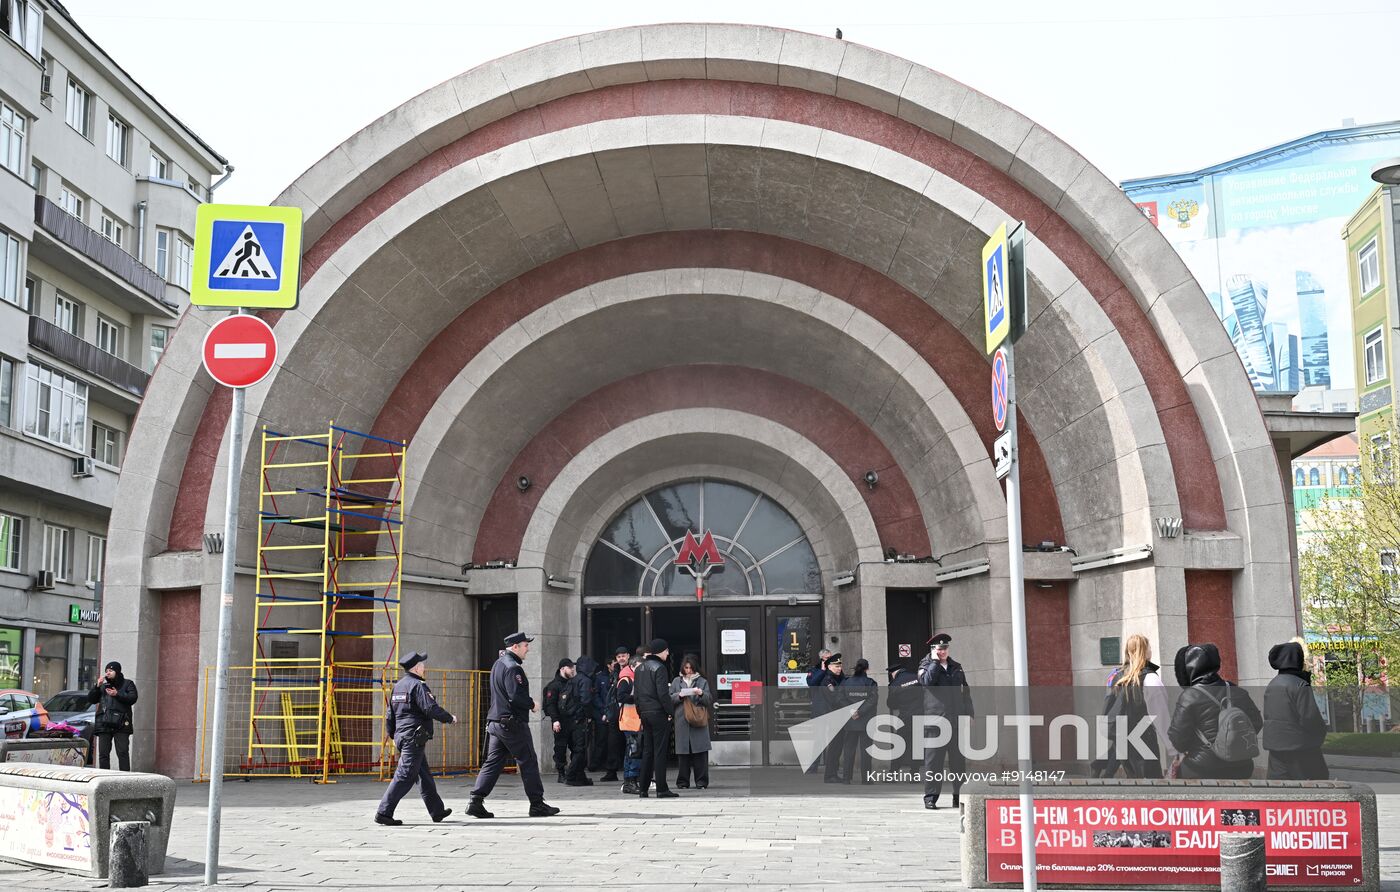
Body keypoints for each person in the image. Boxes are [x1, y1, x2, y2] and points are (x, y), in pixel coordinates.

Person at [469, 632, 559, 818]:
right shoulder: (513, 668)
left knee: (493, 763)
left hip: (496, 722)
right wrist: (532, 704)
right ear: (515, 647)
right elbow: (515, 695)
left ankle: (475, 801)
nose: (528, 649)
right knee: (528, 761)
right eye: (525, 645)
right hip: (512, 724)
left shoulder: (498, 664)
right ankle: (537, 804)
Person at [375, 651, 456, 826]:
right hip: (414, 737)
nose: (424, 667)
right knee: (404, 775)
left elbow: (390, 715)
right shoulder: (418, 685)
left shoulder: (399, 686)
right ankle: (384, 812)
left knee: (423, 775)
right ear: (417, 667)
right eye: (422, 664)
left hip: (403, 736)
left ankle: (437, 811)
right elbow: (430, 708)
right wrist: (449, 718)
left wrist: (394, 736)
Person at [1167, 643, 1263, 780]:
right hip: (1241, 766)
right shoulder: (1237, 690)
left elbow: (1178, 739)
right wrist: (1234, 741)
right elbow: (1257, 722)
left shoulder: (1189, 696)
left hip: (1201, 768)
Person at [1092, 634, 1175, 778]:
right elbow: (1161, 717)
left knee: (1135, 786)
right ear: (1145, 651)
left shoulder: (1117, 675)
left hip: (1123, 739)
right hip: (1144, 739)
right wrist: (1173, 748)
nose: (1151, 650)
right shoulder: (1149, 678)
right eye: (1149, 647)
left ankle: (1100, 767)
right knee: (1152, 786)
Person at [919, 633, 973, 809]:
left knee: (958, 763)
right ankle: (931, 798)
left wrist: (969, 713)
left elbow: (965, 691)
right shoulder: (925, 665)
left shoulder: (956, 666)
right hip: (935, 722)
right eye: (939, 648)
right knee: (933, 763)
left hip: (956, 720)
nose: (943, 651)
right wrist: (935, 662)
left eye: (945, 648)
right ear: (933, 650)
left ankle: (958, 797)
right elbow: (927, 682)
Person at [1263, 640, 1329, 780]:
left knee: (1281, 792)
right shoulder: (1300, 685)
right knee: (1311, 790)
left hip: (1276, 749)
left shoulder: (1272, 684)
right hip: (1300, 749)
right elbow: (1310, 718)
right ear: (1296, 659)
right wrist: (1321, 733)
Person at [634, 637, 679, 798]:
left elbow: (637, 695)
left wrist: (640, 712)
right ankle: (661, 788)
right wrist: (670, 712)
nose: (668, 653)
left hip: (645, 714)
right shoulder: (659, 668)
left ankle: (643, 788)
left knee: (647, 751)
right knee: (660, 752)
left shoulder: (639, 669)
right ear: (661, 651)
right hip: (658, 713)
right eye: (666, 650)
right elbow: (663, 694)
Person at [670, 654, 713, 789]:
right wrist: (680, 695)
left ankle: (701, 782)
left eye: (691, 668)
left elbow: (709, 699)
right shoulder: (677, 681)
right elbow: (670, 698)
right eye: (686, 668)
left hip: (698, 720)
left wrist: (700, 693)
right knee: (683, 754)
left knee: (700, 753)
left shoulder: (702, 681)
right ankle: (682, 782)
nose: (688, 671)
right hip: (682, 720)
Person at [87, 661, 137, 771]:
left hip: (122, 723)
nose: (108, 673)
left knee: (122, 752)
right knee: (103, 754)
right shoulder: (103, 686)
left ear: (117, 671)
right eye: (106, 671)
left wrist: (117, 694)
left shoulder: (128, 684)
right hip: (104, 723)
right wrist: (97, 686)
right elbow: (91, 700)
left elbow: (133, 698)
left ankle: (125, 779)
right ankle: (105, 778)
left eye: (110, 670)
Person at [840, 658, 879, 783]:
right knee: (866, 750)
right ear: (867, 669)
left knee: (849, 750)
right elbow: (872, 700)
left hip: (850, 720)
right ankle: (866, 779)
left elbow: (840, 699)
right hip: (866, 720)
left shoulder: (846, 682)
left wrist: (852, 711)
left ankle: (846, 778)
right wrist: (860, 712)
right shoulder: (871, 683)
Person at [563, 655, 597, 786]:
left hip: (572, 719)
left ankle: (580, 777)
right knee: (580, 749)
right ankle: (571, 776)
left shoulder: (574, 679)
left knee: (578, 749)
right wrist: (589, 717)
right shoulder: (586, 680)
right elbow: (586, 700)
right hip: (581, 719)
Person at [599, 647, 630, 783]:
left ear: (628, 656)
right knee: (613, 742)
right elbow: (610, 693)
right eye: (618, 657)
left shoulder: (632, 669)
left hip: (629, 709)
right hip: (615, 711)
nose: (621, 659)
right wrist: (607, 711)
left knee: (630, 742)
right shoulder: (614, 671)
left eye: (623, 656)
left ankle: (631, 773)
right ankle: (611, 771)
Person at [542, 658, 575, 783]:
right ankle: (561, 773)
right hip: (560, 722)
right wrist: (555, 720)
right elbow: (550, 705)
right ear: (562, 669)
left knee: (576, 747)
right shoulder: (554, 686)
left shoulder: (573, 683)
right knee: (560, 748)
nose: (572, 670)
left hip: (573, 720)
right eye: (570, 668)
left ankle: (573, 771)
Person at [886, 662, 921, 771]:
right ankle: (914, 774)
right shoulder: (917, 678)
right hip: (920, 716)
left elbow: (891, 704)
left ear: (893, 673)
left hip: (905, 717)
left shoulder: (895, 684)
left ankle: (893, 773)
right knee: (917, 747)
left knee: (899, 745)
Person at [616, 647, 642, 794]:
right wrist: (638, 698)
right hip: (629, 720)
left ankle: (631, 781)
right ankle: (630, 781)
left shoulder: (631, 678)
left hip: (635, 720)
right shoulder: (626, 679)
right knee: (633, 751)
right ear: (632, 666)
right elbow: (621, 697)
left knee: (633, 751)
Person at [818, 654, 847, 783]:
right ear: (829, 666)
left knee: (838, 747)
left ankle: (833, 773)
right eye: (836, 666)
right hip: (833, 717)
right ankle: (830, 775)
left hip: (840, 716)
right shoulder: (828, 680)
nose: (839, 668)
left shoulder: (839, 678)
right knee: (834, 747)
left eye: (840, 666)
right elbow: (834, 698)